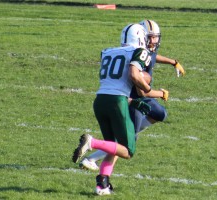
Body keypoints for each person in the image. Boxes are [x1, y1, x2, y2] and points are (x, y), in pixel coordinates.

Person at [72, 23, 168, 196]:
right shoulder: (140, 52)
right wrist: (147, 89)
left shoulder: (107, 51)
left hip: (100, 100)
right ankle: (91, 143)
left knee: (112, 147)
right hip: (117, 101)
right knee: (127, 150)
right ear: (140, 38)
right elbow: (133, 74)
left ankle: (102, 185)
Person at [79, 19, 185, 171]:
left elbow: (155, 57)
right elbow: (141, 88)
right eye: (151, 37)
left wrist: (174, 62)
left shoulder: (132, 52)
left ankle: (102, 179)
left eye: (156, 37)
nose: (154, 40)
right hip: (131, 100)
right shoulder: (140, 53)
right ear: (143, 37)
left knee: (159, 113)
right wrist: (159, 93)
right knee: (125, 146)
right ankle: (92, 160)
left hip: (111, 97)